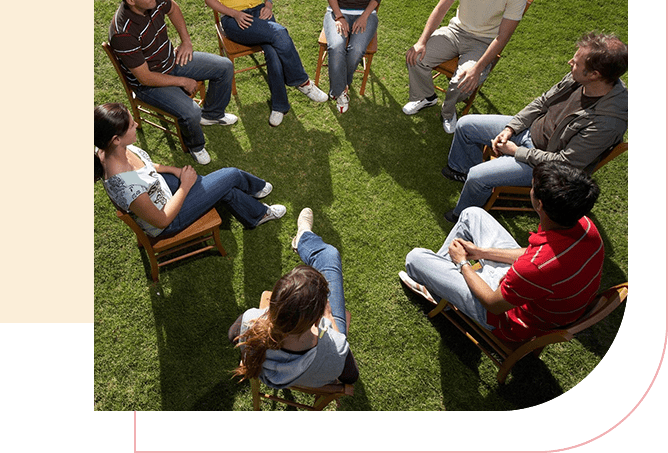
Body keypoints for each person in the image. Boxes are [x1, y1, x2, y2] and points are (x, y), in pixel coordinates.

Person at [400, 162, 603, 343]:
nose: (531, 189)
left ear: (539, 204)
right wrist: (481, 252)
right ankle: (439, 284)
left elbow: (492, 304)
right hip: (533, 292)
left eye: (533, 187)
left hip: (507, 319)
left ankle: (438, 287)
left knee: (415, 258)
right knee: (472, 213)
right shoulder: (584, 226)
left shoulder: (534, 267)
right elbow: (532, 254)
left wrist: (462, 263)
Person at [441, 31, 628, 222]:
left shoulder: (607, 123)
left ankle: (463, 216)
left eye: (576, 63)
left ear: (595, 74)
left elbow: (566, 163)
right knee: (465, 125)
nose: (570, 63)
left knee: (478, 176)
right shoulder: (580, 77)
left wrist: (516, 152)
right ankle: (460, 170)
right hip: (529, 131)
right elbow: (542, 102)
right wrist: (510, 129)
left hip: (546, 164)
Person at [403, 0, 529, 133]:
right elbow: (442, 8)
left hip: (484, 42)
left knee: (463, 81)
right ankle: (427, 97)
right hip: (455, 32)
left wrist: (478, 68)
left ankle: (448, 111)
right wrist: (421, 41)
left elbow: (503, 36)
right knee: (415, 58)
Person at [94, 103, 286, 237]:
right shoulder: (127, 187)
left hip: (160, 189)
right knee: (231, 175)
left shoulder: (106, 151)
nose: (136, 124)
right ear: (115, 139)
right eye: (130, 125)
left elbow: (147, 167)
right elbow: (161, 220)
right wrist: (185, 186)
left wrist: (174, 170)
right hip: (169, 220)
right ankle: (257, 190)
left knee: (221, 187)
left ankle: (256, 214)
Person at [109, 0, 236, 165]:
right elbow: (145, 77)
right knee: (191, 111)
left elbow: (173, 8)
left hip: (172, 60)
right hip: (149, 84)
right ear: (130, 0)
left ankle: (212, 115)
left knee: (224, 66)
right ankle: (196, 146)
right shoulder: (123, 33)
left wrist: (186, 41)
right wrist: (184, 81)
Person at [229, 208, 359, 389]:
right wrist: (330, 320)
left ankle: (304, 237)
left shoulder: (249, 321)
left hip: (269, 372)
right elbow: (350, 378)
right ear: (316, 319)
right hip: (316, 370)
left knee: (328, 257)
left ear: (273, 302)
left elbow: (233, 336)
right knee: (329, 256)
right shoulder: (336, 349)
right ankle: (304, 238)